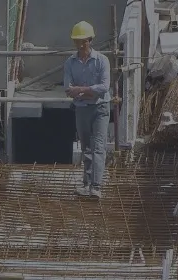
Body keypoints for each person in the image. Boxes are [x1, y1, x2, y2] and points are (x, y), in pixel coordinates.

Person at [63, 21, 112, 199]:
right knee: (86, 147)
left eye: (83, 41)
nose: (80, 44)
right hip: (82, 109)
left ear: (90, 40)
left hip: (100, 108)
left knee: (98, 146)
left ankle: (96, 186)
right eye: (77, 41)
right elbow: (68, 89)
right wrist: (90, 92)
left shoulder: (102, 61)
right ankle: (87, 183)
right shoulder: (70, 62)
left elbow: (104, 87)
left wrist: (81, 90)